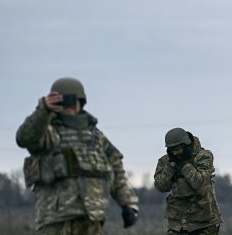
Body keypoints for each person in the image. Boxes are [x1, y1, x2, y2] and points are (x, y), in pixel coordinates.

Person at [15, 77, 139, 234]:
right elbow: (24, 138)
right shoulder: (48, 132)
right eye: (61, 101)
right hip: (55, 219)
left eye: (70, 100)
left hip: (91, 218)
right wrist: (44, 110)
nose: (67, 106)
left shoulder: (96, 137)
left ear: (81, 102)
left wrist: (128, 204)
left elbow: (117, 170)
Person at [153, 127, 222, 234]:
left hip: (204, 222)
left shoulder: (203, 156)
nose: (175, 153)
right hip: (178, 222)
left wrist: (184, 164)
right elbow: (161, 186)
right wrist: (171, 166)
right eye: (172, 150)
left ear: (186, 146)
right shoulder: (166, 161)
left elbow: (199, 183)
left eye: (178, 150)